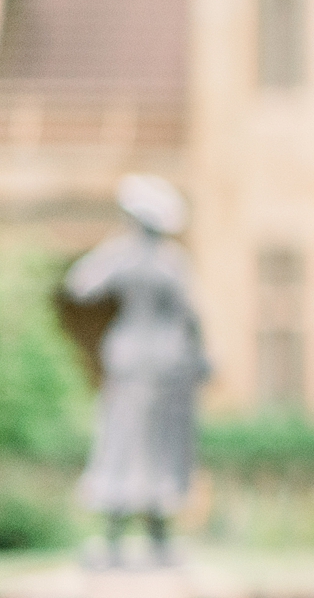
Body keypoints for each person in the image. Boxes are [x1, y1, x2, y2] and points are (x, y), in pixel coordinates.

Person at [65, 174, 212, 568]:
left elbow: (80, 282)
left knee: (128, 444)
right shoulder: (168, 261)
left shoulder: (125, 256)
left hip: (135, 357)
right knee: (150, 448)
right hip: (164, 358)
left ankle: (123, 539)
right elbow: (193, 317)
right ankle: (153, 540)